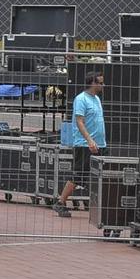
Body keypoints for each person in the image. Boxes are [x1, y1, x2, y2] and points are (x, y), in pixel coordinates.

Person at [55, 72, 105, 216]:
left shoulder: (96, 99)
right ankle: (60, 202)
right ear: (93, 83)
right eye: (100, 83)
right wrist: (89, 140)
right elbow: (79, 121)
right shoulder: (81, 99)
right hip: (85, 144)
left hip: (99, 143)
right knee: (79, 175)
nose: (102, 85)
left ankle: (97, 205)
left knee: (97, 175)